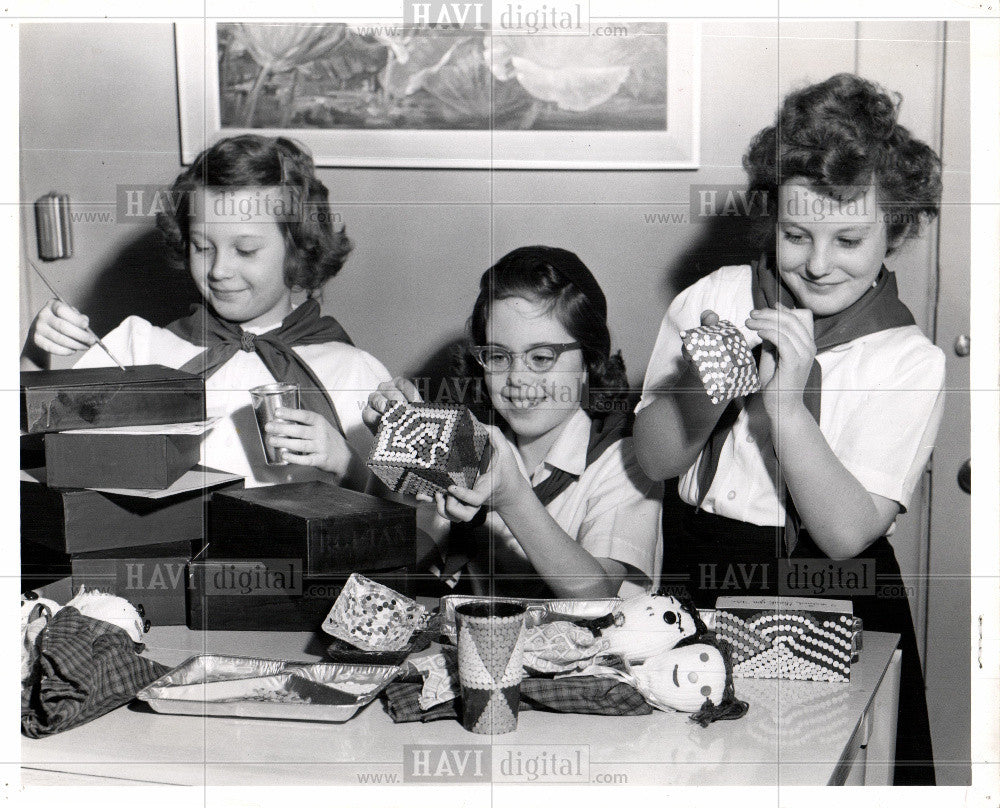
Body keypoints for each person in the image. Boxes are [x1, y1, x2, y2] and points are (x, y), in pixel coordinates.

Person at [633, 73, 944, 785]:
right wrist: (706, 394)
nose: (818, 262)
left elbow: (845, 534)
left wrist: (789, 408)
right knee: (696, 766)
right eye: (796, 234)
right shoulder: (714, 298)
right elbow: (653, 460)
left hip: (835, 586)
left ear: (894, 229)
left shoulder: (908, 360)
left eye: (850, 239)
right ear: (770, 217)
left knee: (818, 770)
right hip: (703, 563)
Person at [21, 135, 389, 489]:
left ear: (299, 249)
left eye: (245, 250)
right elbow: (32, 444)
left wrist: (347, 464)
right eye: (202, 247)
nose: (218, 270)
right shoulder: (140, 348)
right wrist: (37, 356)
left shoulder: (353, 372)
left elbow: (421, 534)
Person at [364, 246, 663, 600]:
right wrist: (398, 455)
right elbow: (399, 559)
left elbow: (596, 593)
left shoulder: (626, 457)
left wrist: (513, 498)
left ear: (587, 362)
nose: (517, 378)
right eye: (498, 356)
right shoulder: (468, 443)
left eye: (541, 357)